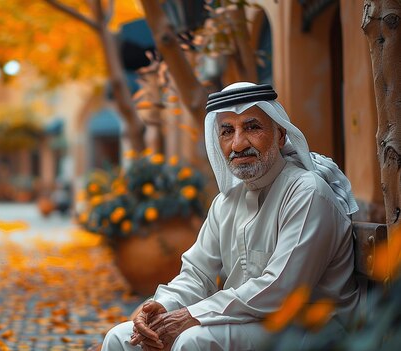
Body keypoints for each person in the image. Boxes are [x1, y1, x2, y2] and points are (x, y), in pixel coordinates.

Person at [101, 82, 360, 350]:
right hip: (247, 321)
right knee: (122, 338)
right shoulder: (226, 202)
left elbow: (281, 289)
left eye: (252, 127)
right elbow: (197, 274)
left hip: (306, 328)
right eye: (227, 131)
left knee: (193, 342)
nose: (238, 144)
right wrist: (161, 307)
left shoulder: (307, 191)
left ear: (280, 135)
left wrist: (193, 315)